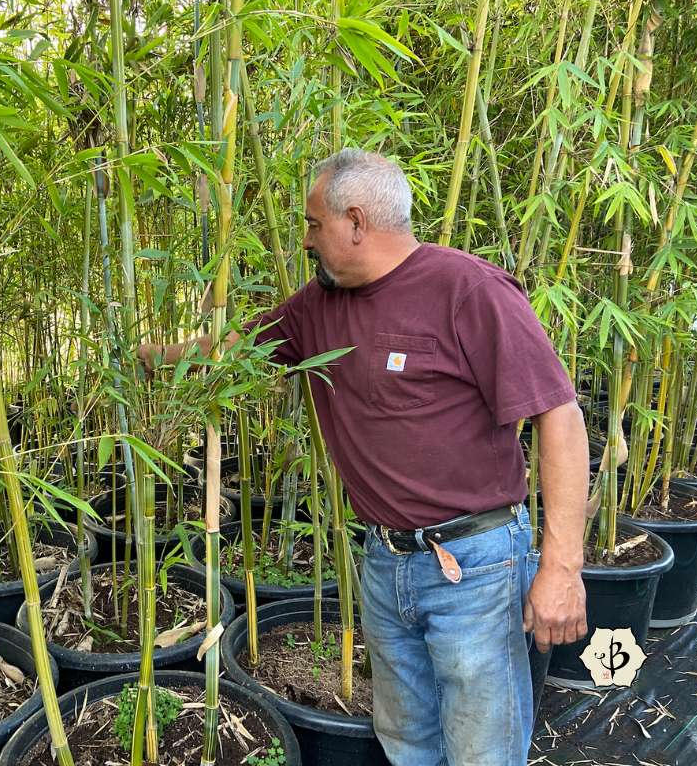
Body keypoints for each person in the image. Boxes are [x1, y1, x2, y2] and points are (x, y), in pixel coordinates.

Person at [138, 148, 589, 766]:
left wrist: (561, 567)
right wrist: (153, 357)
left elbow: (558, 415)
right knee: (406, 740)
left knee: (483, 750)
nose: (305, 240)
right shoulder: (317, 306)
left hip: (476, 565)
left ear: (355, 222)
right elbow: (233, 349)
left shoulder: (468, 290)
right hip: (384, 560)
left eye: (312, 224)